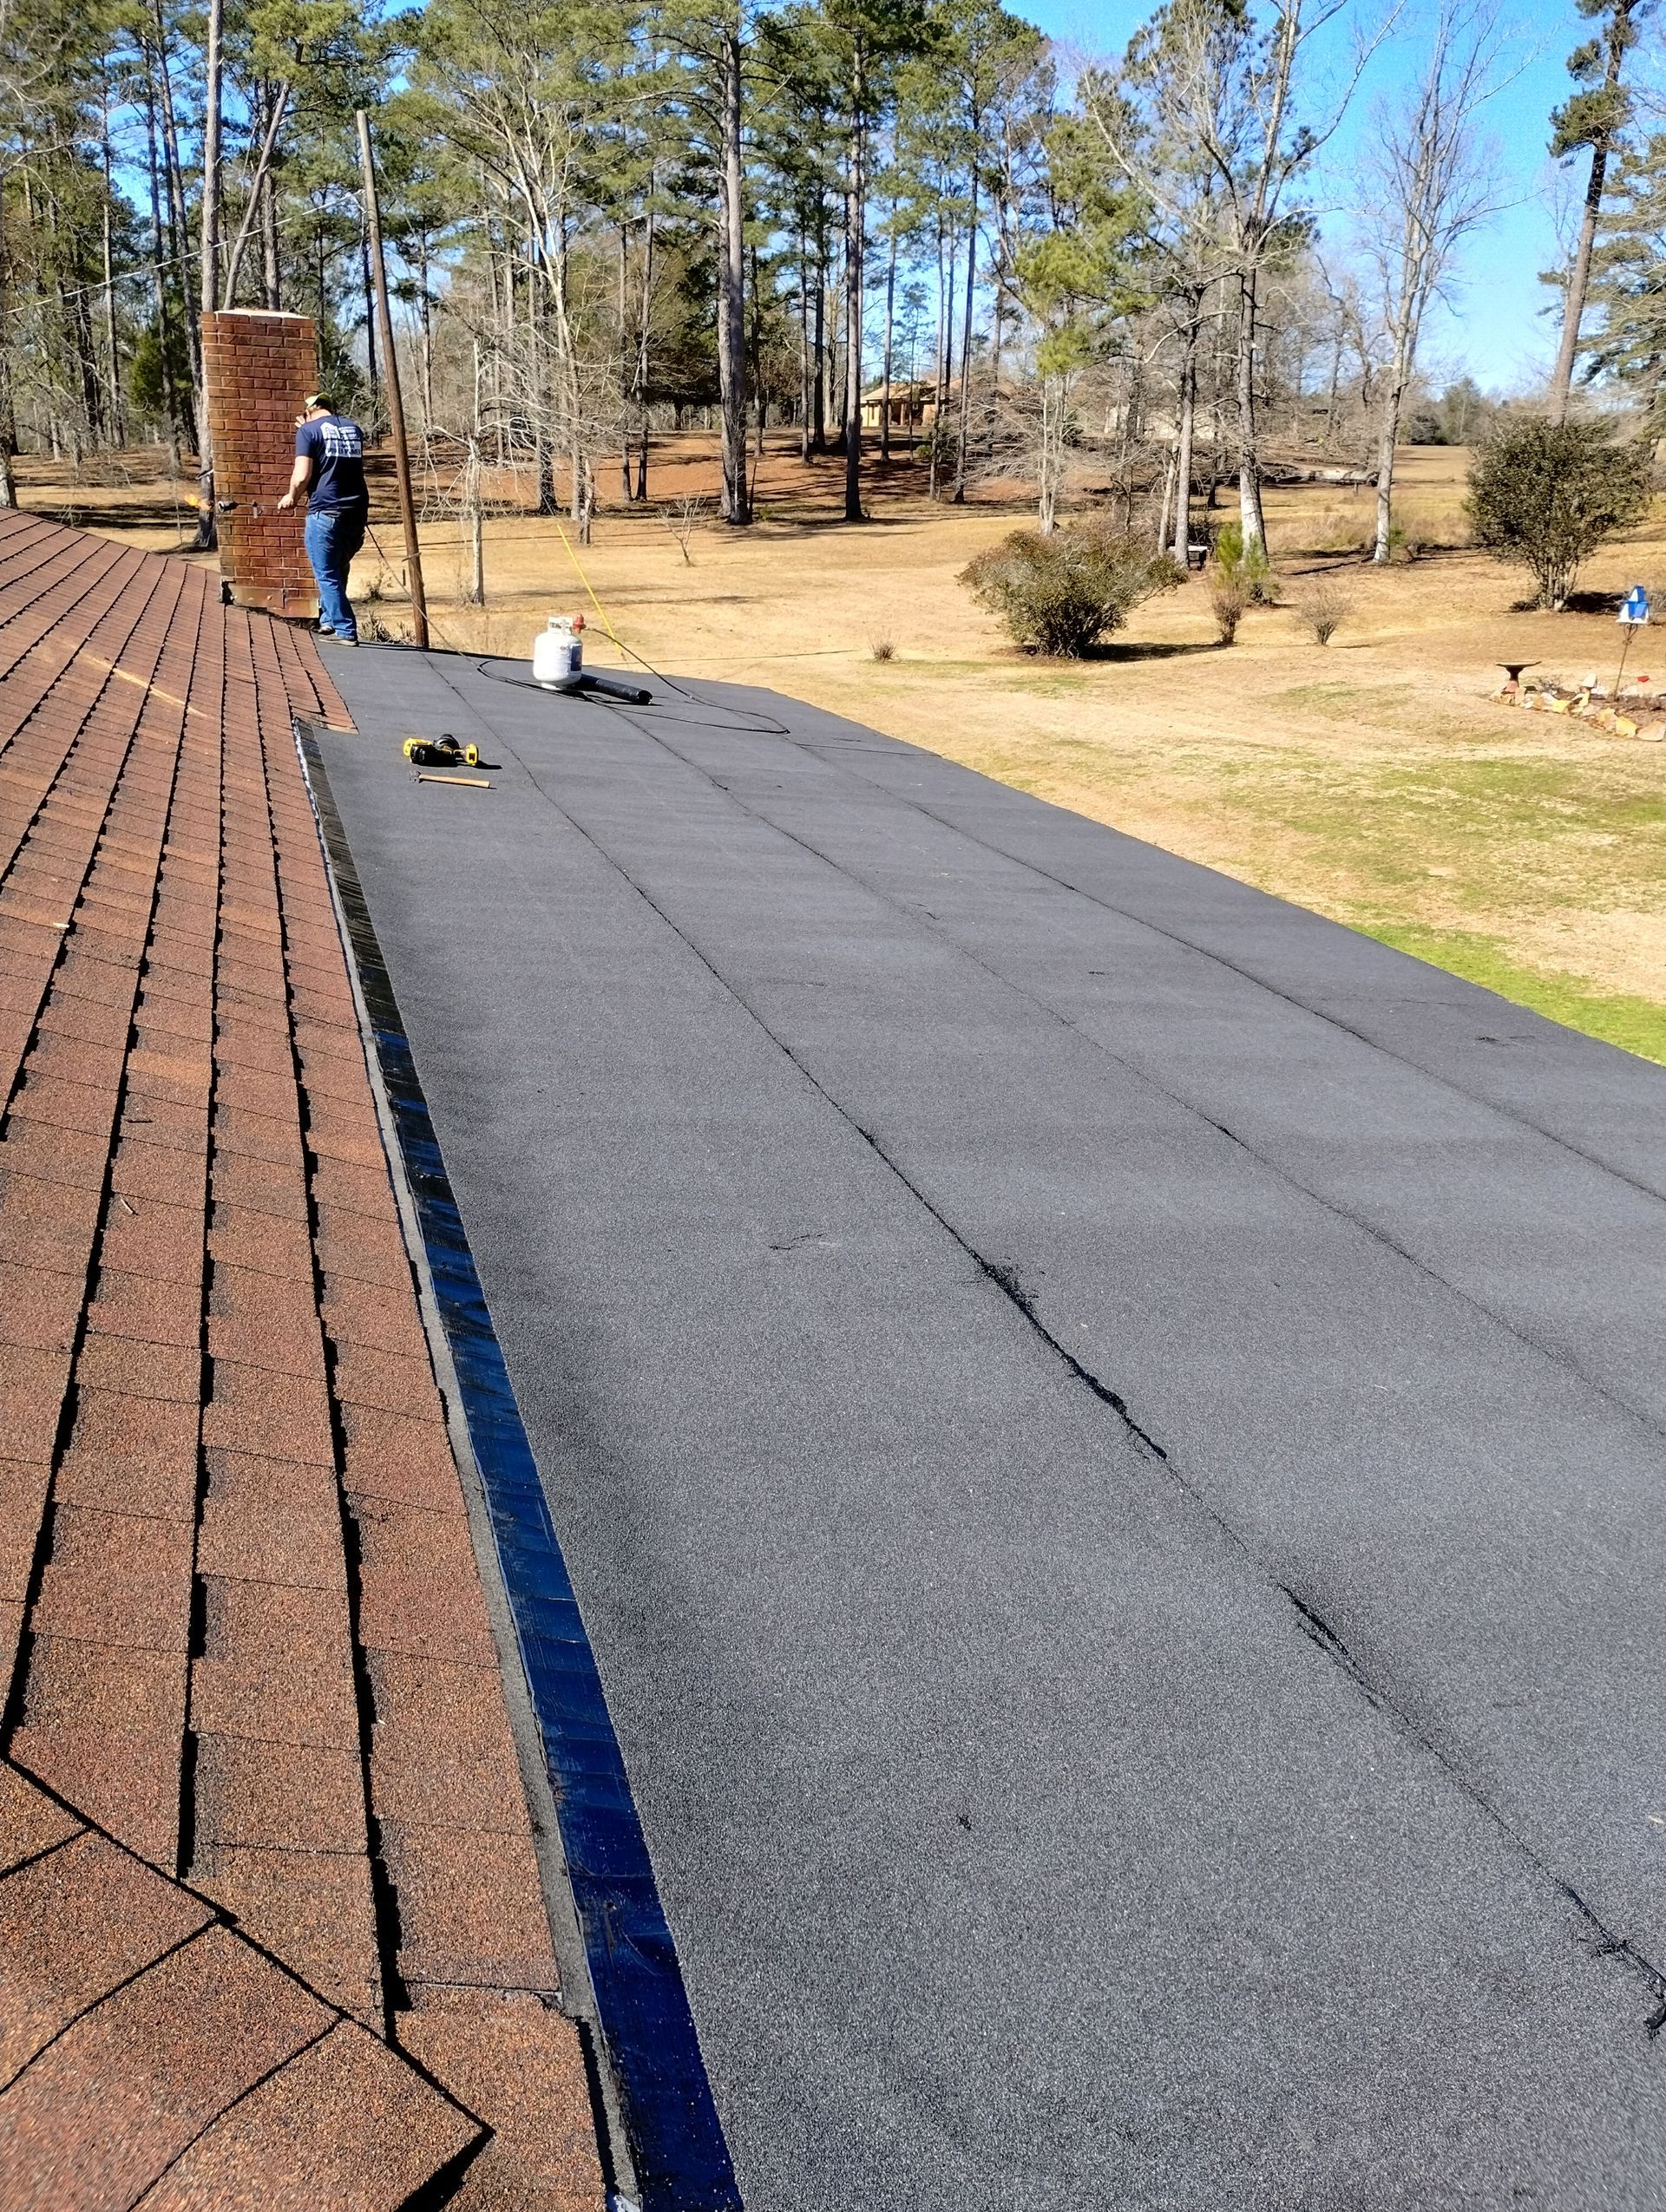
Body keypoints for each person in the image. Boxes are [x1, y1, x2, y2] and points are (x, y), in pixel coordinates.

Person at [278, 393, 368, 645]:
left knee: (326, 573)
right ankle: (328, 621)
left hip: (325, 511)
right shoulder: (354, 429)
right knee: (339, 567)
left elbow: (302, 476)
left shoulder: (307, 431)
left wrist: (292, 496)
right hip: (356, 512)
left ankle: (345, 630)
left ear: (309, 411)